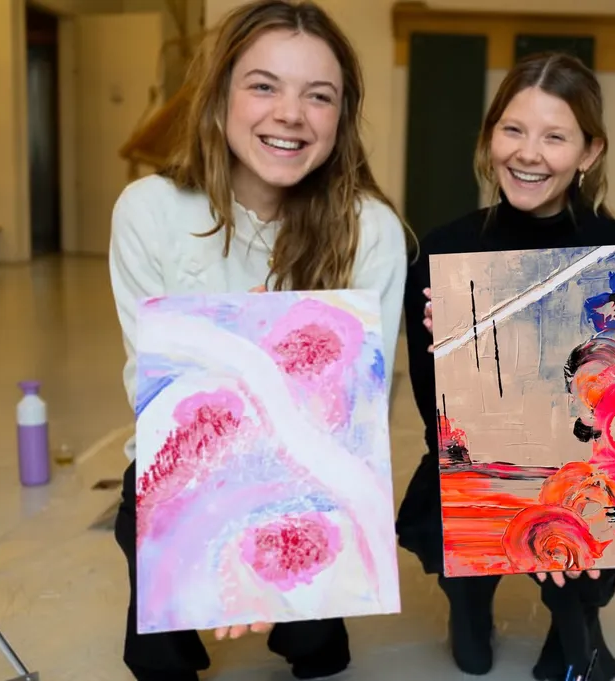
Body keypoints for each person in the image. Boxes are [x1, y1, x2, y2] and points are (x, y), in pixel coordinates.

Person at [107, 2, 410, 680]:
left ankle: (311, 633)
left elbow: (356, 416)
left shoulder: (374, 232)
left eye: (319, 96)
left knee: (319, 646)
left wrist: (272, 545)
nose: (291, 113)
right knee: (157, 654)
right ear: (219, 98)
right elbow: (160, 390)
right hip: (183, 468)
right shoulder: (149, 213)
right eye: (264, 85)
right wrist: (228, 535)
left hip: (313, 473)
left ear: (341, 118)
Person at [396, 52, 615, 681]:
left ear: (589, 152)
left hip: (581, 457)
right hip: (478, 451)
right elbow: (429, 406)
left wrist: (576, 504)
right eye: (514, 130)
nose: (529, 153)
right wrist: (453, 351)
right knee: (464, 619)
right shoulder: (444, 249)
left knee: (600, 531)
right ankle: (469, 601)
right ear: (490, 137)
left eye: (555, 136)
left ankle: (575, 613)